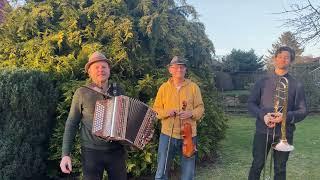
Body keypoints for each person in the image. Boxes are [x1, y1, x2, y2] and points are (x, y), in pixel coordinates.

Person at [59, 51, 127, 180]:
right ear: (89, 72)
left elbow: (125, 117)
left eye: (104, 67)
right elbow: (72, 123)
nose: (101, 70)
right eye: (96, 67)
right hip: (91, 152)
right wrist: (65, 154)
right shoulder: (82, 93)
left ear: (109, 70)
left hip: (116, 151)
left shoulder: (118, 90)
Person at [247, 46, 308, 180]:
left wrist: (285, 117)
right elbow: (251, 103)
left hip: (284, 133)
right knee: (257, 165)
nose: (282, 59)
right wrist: (263, 116)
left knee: (280, 169)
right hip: (263, 131)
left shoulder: (297, 84)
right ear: (275, 59)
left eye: (286, 57)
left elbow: (303, 110)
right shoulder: (262, 81)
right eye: (279, 56)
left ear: (291, 61)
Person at [153, 56, 205, 180]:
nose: (179, 69)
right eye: (176, 67)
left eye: (182, 67)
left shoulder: (193, 87)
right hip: (167, 134)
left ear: (185, 70)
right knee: (161, 170)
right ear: (170, 70)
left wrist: (190, 113)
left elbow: (200, 108)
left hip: (188, 134)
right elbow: (155, 110)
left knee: (188, 173)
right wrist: (167, 112)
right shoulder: (163, 88)